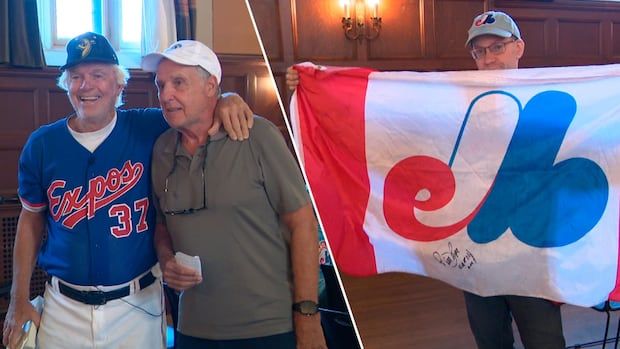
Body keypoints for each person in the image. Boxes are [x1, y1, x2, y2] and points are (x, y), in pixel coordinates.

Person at [286, 10, 565, 349]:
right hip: (477, 253)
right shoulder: (456, 103)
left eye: (498, 47)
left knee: (545, 342)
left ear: (518, 47)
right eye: (480, 51)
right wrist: (317, 85)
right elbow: (393, 118)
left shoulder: (556, 100)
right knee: (490, 341)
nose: (489, 59)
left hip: (532, 255)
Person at [2, 32, 253, 349]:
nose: (86, 86)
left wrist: (227, 97)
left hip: (138, 307)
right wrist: (17, 298)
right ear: (66, 85)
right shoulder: (42, 144)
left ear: (119, 84)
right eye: (76, 77)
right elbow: (31, 220)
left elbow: (197, 107)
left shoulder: (150, 127)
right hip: (63, 309)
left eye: (98, 75)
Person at [143, 40, 327, 349]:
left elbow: (303, 225)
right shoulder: (161, 149)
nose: (165, 95)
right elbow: (162, 224)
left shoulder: (258, 135)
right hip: (193, 329)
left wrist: (308, 316)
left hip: (269, 329)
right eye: (161, 85)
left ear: (211, 86)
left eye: (178, 83)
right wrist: (166, 258)